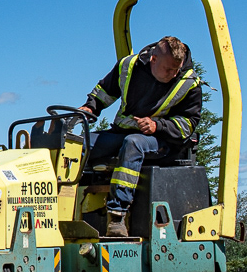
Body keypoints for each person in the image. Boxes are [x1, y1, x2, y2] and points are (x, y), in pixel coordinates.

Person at [80, 35, 202, 238]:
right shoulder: (129, 66)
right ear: (153, 59)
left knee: (133, 143)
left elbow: (188, 124)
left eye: (176, 69)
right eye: (168, 69)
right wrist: (90, 106)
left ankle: (117, 217)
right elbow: (105, 91)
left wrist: (157, 125)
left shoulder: (189, 83)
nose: (173, 74)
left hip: (162, 142)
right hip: (121, 132)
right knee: (78, 145)